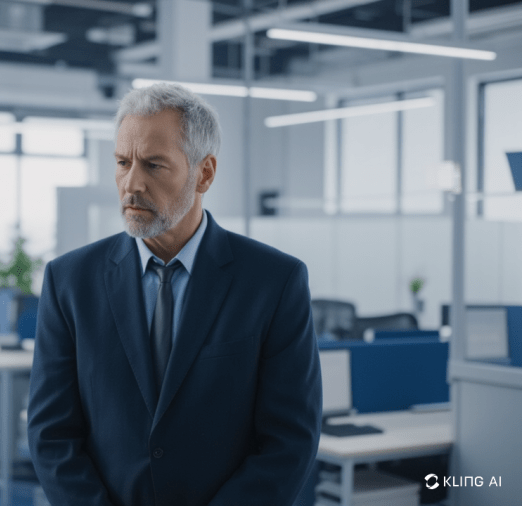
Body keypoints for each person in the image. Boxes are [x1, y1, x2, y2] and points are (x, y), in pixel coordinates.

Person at [27, 83, 322, 506]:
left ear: (204, 173)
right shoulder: (69, 281)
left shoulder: (275, 282)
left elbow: (289, 439)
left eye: (153, 165)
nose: (132, 184)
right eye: (123, 162)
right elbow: (50, 432)